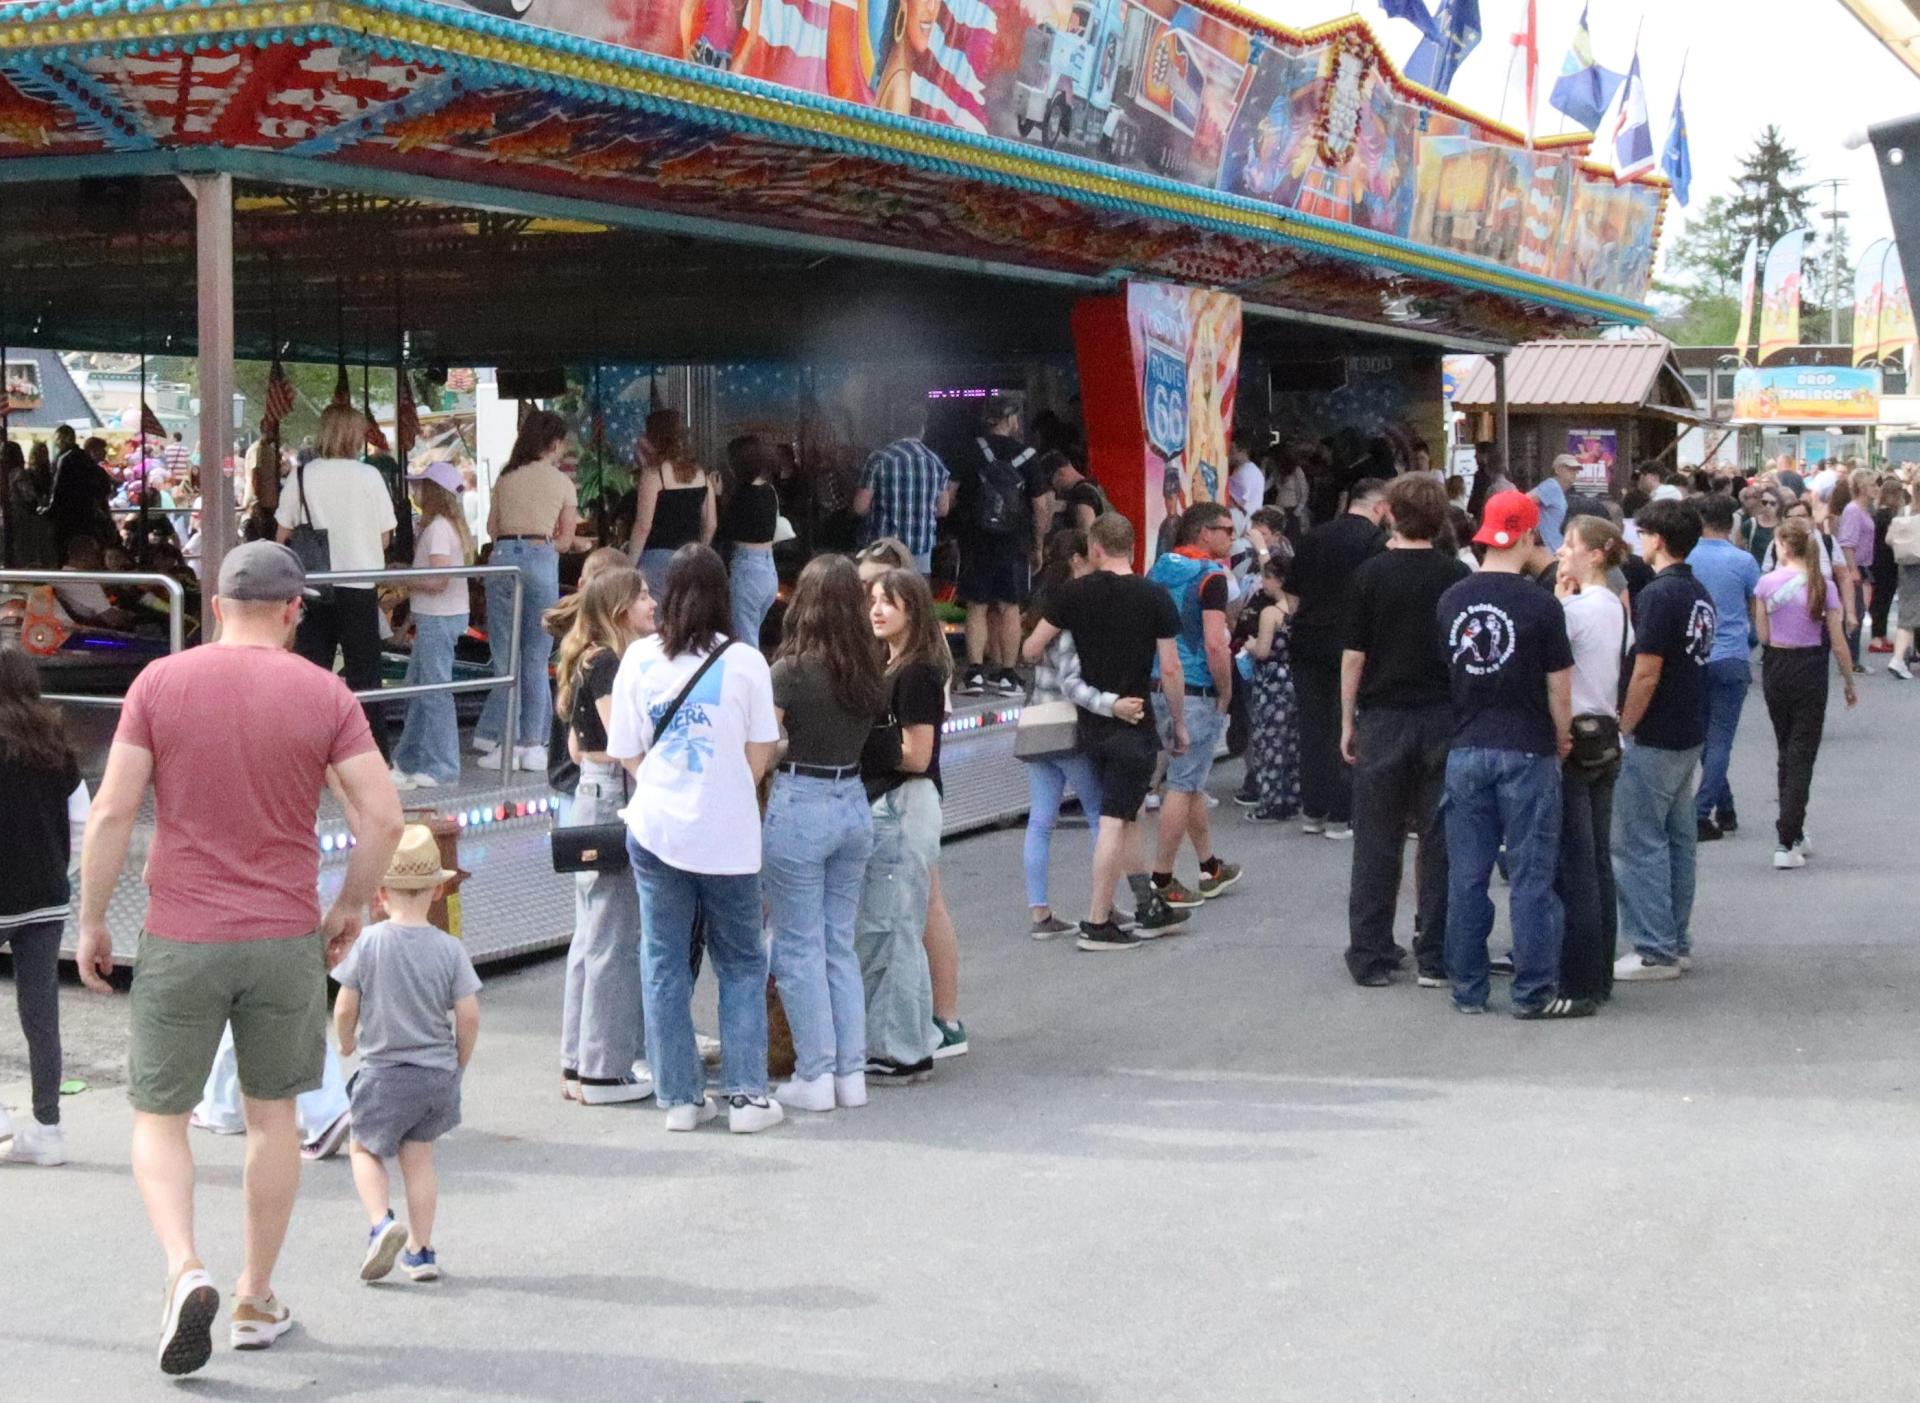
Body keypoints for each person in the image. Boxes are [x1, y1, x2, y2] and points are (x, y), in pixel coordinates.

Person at [73, 541, 404, 1376]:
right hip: (284, 936)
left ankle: (185, 1264)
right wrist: (351, 903)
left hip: (181, 933)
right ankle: (256, 1295)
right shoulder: (325, 692)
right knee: (273, 1118)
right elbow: (384, 817)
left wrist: (92, 919)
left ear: (215, 606)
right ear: (294, 611)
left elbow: (111, 811)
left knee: (160, 1117)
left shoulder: (159, 684)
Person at [606, 544, 783, 1134]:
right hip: (729, 835)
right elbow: (761, 751)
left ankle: (680, 1098)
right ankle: (747, 1096)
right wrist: (722, 787)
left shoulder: (638, 659)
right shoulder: (746, 661)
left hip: (656, 829)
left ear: (669, 594)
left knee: (663, 961)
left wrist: (667, 783)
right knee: (741, 961)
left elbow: (625, 750)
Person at [1436, 491, 1587, 1019]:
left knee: (1467, 876)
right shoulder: (1541, 603)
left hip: (1466, 745)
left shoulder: (1452, 599)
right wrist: (1563, 736)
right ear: (1526, 535)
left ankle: (1467, 987)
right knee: (1530, 877)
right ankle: (1533, 990)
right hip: (1527, 747)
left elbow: (1447, 672)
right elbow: (1559, 686)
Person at [1023, 512, 1189, 950]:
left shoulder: (1072, 594)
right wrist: (1179, 722)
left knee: (1125, 815)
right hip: (1133, 722)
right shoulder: (1154, 596)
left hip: (1089, 727)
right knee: (1114, 821)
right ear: (1132, 547)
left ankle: (1147, 905)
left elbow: (1033, 646)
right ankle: (1098, 921)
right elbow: (1171, 667)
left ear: (1095, 549)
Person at [334, 825, 480, 1285]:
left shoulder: (370, 943)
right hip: (435, 1076)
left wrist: (345, 1041)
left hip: (384, 1072)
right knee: (419, 1161)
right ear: (438, 891)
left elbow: (345, 1006)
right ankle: (421, 1250)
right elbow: (468, 1015)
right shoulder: (450, 949)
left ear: (380, 895)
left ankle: (381, 1223)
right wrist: (458, 1060)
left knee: (363, 1147)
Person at [1339, 474, 1469, 988]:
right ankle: (1435, 949)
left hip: (1383, 716)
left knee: (1377, 838)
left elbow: (1354, 656)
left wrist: (1346, 720)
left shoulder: (1370, 575)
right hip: (1443, 715)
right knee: (1439, 840)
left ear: (1391, 513)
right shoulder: (1456, 575)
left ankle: (1371, 951)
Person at [764, 556, 884, 1111]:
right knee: (838, 944)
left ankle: (814, 1074)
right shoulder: (869, 666)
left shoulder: (790, 671)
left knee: (797, 945)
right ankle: (850, 1073)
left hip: (802, 801)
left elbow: (766, 746)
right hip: (853, 800)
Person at [554, 566, 655, 1106]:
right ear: (619, 609)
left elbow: (577, 748)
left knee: (591, 935)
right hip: (613, 794)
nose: (652, 603)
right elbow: (622, 740)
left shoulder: (585, 660)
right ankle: (603, 1068)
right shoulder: (612, 664)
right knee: (614, 937)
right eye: (643, 595)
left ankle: (577, 1061)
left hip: (589, 792)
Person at [1612, 499, 1715, 983]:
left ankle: (1654, 947)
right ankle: (1675, 938)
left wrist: (1625, 724)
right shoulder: (1696, 591)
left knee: (1637, 841)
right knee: (1677, 840)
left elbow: (1647, 669)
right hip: (1688, 725)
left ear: (1656, 539)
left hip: (1655, 729)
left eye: (1643, 534)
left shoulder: (1657, 595)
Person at [855, 568, 951, 1081]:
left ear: (912, 610)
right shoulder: (888, 665)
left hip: (904, 804)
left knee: (895, 930)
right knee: (883, 928)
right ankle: (897, 1039)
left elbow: (918, 755)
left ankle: (903, 1048)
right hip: (890, 804)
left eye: (888, 602)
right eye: (873, 600)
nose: (876, 610)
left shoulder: (917, 673)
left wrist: (864, 745)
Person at [0, 645, 88, 1166]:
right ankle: (48, 1128)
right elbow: (82, 820)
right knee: (41, 1015)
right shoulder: (55, 743)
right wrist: (60, 871)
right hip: (45, 900)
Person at [275, 403, 398, 758]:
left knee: (311, 675)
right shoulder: (369, 476)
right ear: (355, 436)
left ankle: (305, 754)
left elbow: (282, 532)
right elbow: (385, 537)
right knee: (365, 677)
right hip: (359, 585)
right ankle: (371, 755)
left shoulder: (302, 475)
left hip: (314, 585)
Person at [1022, 529, 1127, 937]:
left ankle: (1040, 912)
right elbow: (1072, 684)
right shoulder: (1067, 620)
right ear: (1079, 561)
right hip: (1068, 728)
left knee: (1040, 821)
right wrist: (1109, 704)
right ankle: (1105, 905)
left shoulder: (1039, 611)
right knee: (1100, 813)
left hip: (1037, 726)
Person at [1145, 502, 1242, 907]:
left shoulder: (1157, 571)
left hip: (1157, 682)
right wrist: (1226, 690)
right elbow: (1216, 643)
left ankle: (1209, 866)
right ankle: (1162, 879)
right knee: (1183, 786)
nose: (1232, 538)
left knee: (1191, 779)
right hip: (1196, 686)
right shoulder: (1211, 577)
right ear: (1204, 532)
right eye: (1226, 530)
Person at [1553, 516, 1633, 1004]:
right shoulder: (1614, 608)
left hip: (1573, 736)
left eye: (1570, 545)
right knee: (1598, 857)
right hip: (1604, 733)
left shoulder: (1576, 611)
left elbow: (1550, 659)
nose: (1562, 552)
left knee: (1575, 861)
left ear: (1596, 555)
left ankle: (1578, 974)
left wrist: (1559, 601)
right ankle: (1600, 968)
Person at [475, 409, 576, 773]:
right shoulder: (562, 482)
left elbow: (492, 528)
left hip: (503, 559)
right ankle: (533, 744)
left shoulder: (506, 477)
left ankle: (505, 741)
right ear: (554, 443)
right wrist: (549, 545)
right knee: (536, 657)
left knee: (506, 658)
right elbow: (565, 540)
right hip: (539, 558)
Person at [1755, 519, 1857, 869]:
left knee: (1785, 748)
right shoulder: (1822, 586)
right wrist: (1848, 680)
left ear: (1784, 546)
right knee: (1803, 752)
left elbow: (1763, 635)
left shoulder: (1766, 584)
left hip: (1776, 665)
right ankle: (1787, 836)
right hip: (1810, 667)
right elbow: (1838, 642)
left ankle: (1792, 830)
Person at [1289, 478, 1387, 839]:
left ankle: (1313, 809)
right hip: (1352, 644)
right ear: (1379, 507)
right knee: (1347, 723)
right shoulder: (1376, 543)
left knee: (1313, 727)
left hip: (1307, 640)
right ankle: (1341, 812)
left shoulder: (1313, 536)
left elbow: (1293, 596)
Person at [953, 394, 1050, 697]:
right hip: (1014, 544)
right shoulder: (1027, 456)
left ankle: (974, 674)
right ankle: (1008, 675)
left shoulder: (970, 451)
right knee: (1010, 608)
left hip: (976, 542)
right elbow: (1040, 506)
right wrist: (1038, 544)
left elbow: (951, 495)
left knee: (977, 606)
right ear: (1010, 419)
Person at [390, 461, 473, 790]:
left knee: (433, 692)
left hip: (438, 617)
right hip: (437, 615)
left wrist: (403, 577)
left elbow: (438, 580)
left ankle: (443, 766)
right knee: (419, 690)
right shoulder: (448, 527)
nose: (415, 491)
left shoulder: (438, 528)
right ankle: (408, 760)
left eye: (421, 485)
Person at [1687, 493, 1761, 841]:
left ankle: (1724, 806)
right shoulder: (1743, 561)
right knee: (1721, 739)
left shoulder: (1687, 556)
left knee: (1706, 739)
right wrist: (1752, 638)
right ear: (1730, 523)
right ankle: (1702, 810)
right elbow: (1755, 606)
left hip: (1695, 655)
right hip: (1731, 654)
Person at [628, 410, 716, 600]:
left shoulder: (654, 475)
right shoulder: (701, 474)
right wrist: (699, 551)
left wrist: (629, 565)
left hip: (657, 559)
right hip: (690, 559)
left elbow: (643, 526)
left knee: (655, 614)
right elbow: (710, 525)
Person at [854, 406, 952, 574]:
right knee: (915, 590)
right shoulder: (935, 462)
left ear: (895, 428)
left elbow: (860, 507)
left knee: (883, 589)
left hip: (884, 550)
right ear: (922, 429)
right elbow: (943, 509)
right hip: (921, 549)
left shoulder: (880, 458)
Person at [1242, 554, 1302, 824]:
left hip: (1272, 682)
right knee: (1292, 741)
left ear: (1278, 580)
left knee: (1269, 740)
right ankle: (1293, 796)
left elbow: (1264, 651)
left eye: (1266, 577)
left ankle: (1271, 800)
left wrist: (1250, 646)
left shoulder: (1270, 613)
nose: (1262, 583)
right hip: (1295, 678)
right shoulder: (1299, 610)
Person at [722, 433, 781, 648]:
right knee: (751, 631)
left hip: (746, 568)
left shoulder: (740, 496)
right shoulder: (769, 491)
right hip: (768, 568)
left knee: (745, 642)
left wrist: (718, 497)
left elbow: (726, 529)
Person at [45, 423, 115, 560]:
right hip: (88, 514)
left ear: (64, 438)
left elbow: (57, 488)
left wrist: (51, 510)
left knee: (64, 550)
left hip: (66, 515)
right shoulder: (86, 460)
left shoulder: (65, 458)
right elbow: (104, 488)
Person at [1835, 468, 1877, 670]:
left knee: (1859, 611)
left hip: (1863, 564)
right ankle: (1850, 660)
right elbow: (1847, 543)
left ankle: (1852, 658)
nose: (1876, 488)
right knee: (1854, 612)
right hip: (1855, 565)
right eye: (1873, 484)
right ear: (1861, 487)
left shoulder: (1863, 510)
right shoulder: (1853, 510)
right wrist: (1852, 570)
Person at [1869, 477, 1907, 652]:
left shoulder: (1880, 514)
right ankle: (1877, 636)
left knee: (1883, 598)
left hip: (1881, 561)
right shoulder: (1887, 516)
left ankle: (1881, 634)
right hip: (1885, 562)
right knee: (1882, 599)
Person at [1888, 497, 1920, 681]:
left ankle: (1899, 658)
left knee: (1907, 615)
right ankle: (1898, 659)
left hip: (1907, 567)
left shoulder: (1905, 511)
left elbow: (1889, 539)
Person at [1529, 453, 1582, 551]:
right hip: (1547, 548)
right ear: (1557, 470)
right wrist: (1532, 530)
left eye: (1576, 469)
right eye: (1569, 468)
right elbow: (1523, 501)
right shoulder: (1551, 486)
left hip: (1554, 546)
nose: (1574, 472)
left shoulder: (1558, 489)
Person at [1740, 485, 1781, 566]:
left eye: (1772, 503)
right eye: (1764, 502)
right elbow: (1740, 547)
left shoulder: (1785, 524)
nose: (1768, 506)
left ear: (1779, 505)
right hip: (1754, 568)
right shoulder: (1751, 524)